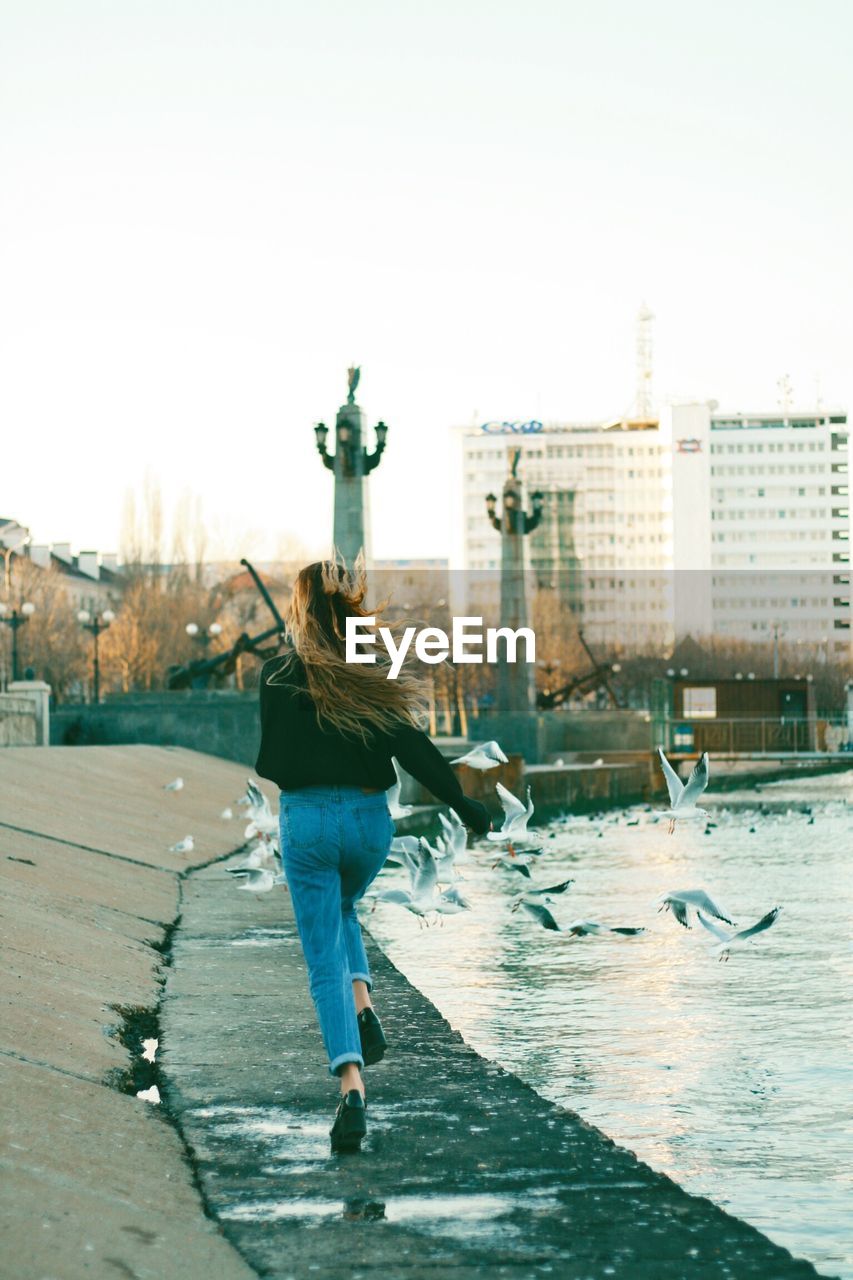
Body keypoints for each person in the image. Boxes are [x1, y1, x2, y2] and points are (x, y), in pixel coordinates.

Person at [255, 560, 491, 1153]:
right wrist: (461, 802)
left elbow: (269, 763)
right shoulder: (368, 673)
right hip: (367, 826)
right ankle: (364, 1005)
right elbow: (411, 747)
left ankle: (352, 1088)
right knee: (343, 911)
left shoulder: (277, 675)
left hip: (308, 823)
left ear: (300, 610)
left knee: (321, 960)